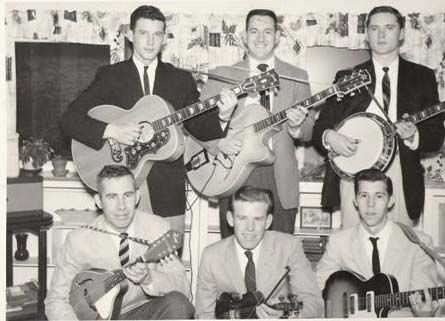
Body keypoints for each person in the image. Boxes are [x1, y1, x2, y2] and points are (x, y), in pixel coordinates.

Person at [61, 5, 236, 235]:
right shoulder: (110, 76)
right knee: (125, 262)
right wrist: (111, 130)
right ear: (131, 35)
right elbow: (69, 119)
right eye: (144, 33)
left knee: (166, 259)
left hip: (167, 187)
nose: (150, 41)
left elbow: (198, 126)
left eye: (157, 34)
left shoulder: (180, 79)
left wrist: (223, 116)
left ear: (164, 39)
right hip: (121, 189)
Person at [312, 5, 445, 228]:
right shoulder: (348, 77)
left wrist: (414, 136)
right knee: (355, 250)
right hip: (354, 173)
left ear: (401, 33)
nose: (381, 34)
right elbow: (320, 128)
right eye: (374, 28)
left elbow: (435, 135)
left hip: (400, 171)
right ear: (367, 35)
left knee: (397, 248)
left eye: (389, 27)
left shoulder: (422, 76)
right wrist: (331, 137)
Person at [199, 9, 315, 237]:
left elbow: (309, 130)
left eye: (267, 31)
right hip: (233, 173)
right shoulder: (222, 75)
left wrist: (295, 126)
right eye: (254, 31)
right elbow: (197, 125)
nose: (261, 38)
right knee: (235, 260)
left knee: (280, 259)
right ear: (243, 37)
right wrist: (220, 138)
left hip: (279, 177)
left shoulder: (297, 76)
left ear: (278, 37)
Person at [45, 165, 194, 320]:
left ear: (137, 196)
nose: (121, 206)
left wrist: (149, 278)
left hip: (141, 312)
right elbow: (56, 300)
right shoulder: (79, 240)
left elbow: (184, 289)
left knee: (179, 305)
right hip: (96, 318)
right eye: (112, 197)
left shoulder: (158, 229)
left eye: (127, 195)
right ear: (99, 201)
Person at [316, 168, 440, 317]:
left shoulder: (418, 244)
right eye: (364, 196)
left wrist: (425, 314)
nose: (370, 204)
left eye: (379, 196)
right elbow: (318, 289)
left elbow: (425, 298)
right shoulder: (338, 242)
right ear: (355, 200)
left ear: (391, 200)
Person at [195, 186, 324, 319]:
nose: (250, 228)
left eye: (257, 219)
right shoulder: (211, 256)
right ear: (230, 219)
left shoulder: (289, 247)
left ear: (268, 221)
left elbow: (315, 303)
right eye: (242, 218)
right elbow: (203, 314)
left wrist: (285, 315)